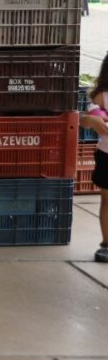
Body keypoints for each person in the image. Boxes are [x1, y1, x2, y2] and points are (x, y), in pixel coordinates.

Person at [81, 55, 108, 263]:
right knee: (107, 200)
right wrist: (91, 119)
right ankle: (106, 244)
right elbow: (84, 120)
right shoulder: (102, 97)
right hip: (106, 154)